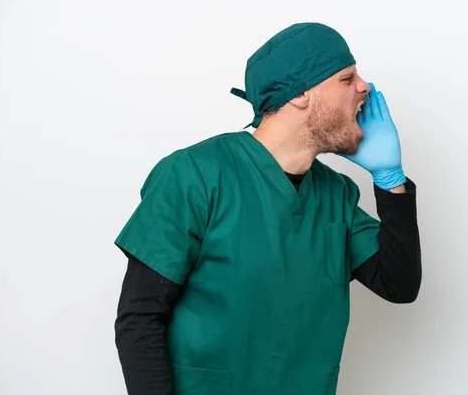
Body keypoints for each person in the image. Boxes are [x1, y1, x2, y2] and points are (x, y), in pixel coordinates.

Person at [113, 22, 422, 395]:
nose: (364, 88)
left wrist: (391, 181)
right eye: (347, 78)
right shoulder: (196, 175)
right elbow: (140, 318)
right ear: (300, 94)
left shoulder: (335, 194)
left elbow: (399, 285)